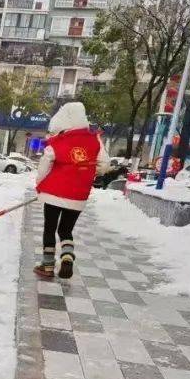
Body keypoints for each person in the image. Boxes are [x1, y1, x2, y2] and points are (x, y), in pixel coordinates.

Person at [34, 102, 111, 280]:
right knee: (66, 229)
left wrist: (40, 183)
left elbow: (45, 164)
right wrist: (90, 171)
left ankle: (47, 265)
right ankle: (67, 257)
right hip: (78, 195)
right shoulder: (95, 140)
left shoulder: (57, 141)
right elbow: (104, 165)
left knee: (49, 228)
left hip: (54, 193)